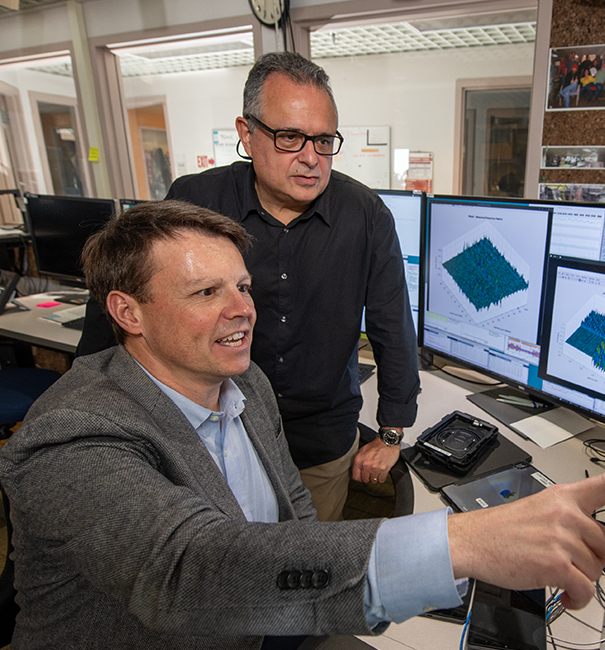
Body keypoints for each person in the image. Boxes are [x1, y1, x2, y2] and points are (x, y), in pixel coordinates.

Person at [0, 200, 605, 650]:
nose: (242, 310)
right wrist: (463, 542)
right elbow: (188, 569)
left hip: (263, 624)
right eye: (206, 293)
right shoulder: (72, 436)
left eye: (243, 286)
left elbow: (292, 518)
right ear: (128, 312)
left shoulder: (244, 383)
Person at [77, 51, 417, 522]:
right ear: (247, 133)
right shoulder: (195, 200)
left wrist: (392, 432)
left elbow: (392, 326)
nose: (311, 158)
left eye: (323, 141)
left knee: (307, 556)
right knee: (217, 558)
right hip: (208, 432)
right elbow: (119, 300)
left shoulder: (365, 215)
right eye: (290, 137)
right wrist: (86, 407)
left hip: (318, 437)